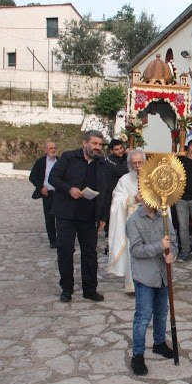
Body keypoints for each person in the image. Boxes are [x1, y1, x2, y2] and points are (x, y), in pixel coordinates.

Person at [49, 130, 111, 303]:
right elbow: (53, 178)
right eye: (94, 144)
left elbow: (106, 193)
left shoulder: (103, 165)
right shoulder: (68, 158)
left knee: (90, 253)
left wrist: (103, 217)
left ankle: (90, 289)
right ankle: (66, 288)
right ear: (84, 143)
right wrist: (69, 189)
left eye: (100, 144)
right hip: (66, 213)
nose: (98, 147)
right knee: (65, 251)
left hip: (89, 216)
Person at [126, 200, 178, 376]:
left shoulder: (164, 217)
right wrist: (159, 247)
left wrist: (172, 254)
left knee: (162, 312)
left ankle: (159, 343)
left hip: (163, 274)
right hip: (145, 276)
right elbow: (136, 250)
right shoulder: (134, 220)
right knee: (143, 316)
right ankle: (137, 355)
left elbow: (173, 241)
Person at [107, 148, 145, 293]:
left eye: (140, 162)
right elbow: (116, 200)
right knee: (133, 252)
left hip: (150, 222)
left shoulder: (152, 178)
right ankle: (133, 285)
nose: (137, 166)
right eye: (134, 163)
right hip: (132, 222)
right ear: (129, 164)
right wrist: (133, 199)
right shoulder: (124, 180)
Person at [29, 141, 58, 248]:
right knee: (49, 218)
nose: (53, 150)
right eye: (51, 148)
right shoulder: (40, 162)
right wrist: (41, 187)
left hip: (59, 194)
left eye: (54, 148)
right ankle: (53, 240)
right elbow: (32, 177)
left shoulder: (60, 161)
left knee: (60, 217)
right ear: (46, 150)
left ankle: (62, 238)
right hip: (48, 194)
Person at [104, 139, 129, 252]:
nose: (120, 151)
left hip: (126, 193)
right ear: (111, 151)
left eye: (121, 148)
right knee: (113, 221)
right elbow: (120, 171)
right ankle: (110, 245)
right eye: (117, 149)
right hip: (112, 194)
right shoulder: (109, 161)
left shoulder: (126, 157)